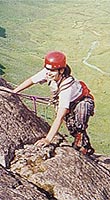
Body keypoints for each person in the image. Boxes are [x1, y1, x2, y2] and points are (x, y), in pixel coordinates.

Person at [13, 51, 95, 155]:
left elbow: (59, 118)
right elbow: (31, 81)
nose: (48, 73)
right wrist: (14, 92)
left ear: (61, 70)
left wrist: (47, 140)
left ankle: (83, 146)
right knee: (71, 128)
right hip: (69, 102)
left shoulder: (67, 87)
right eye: (47, 69)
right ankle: (84, 145)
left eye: (52, 70)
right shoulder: (48, 71)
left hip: (82, 101)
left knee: (79, 124)